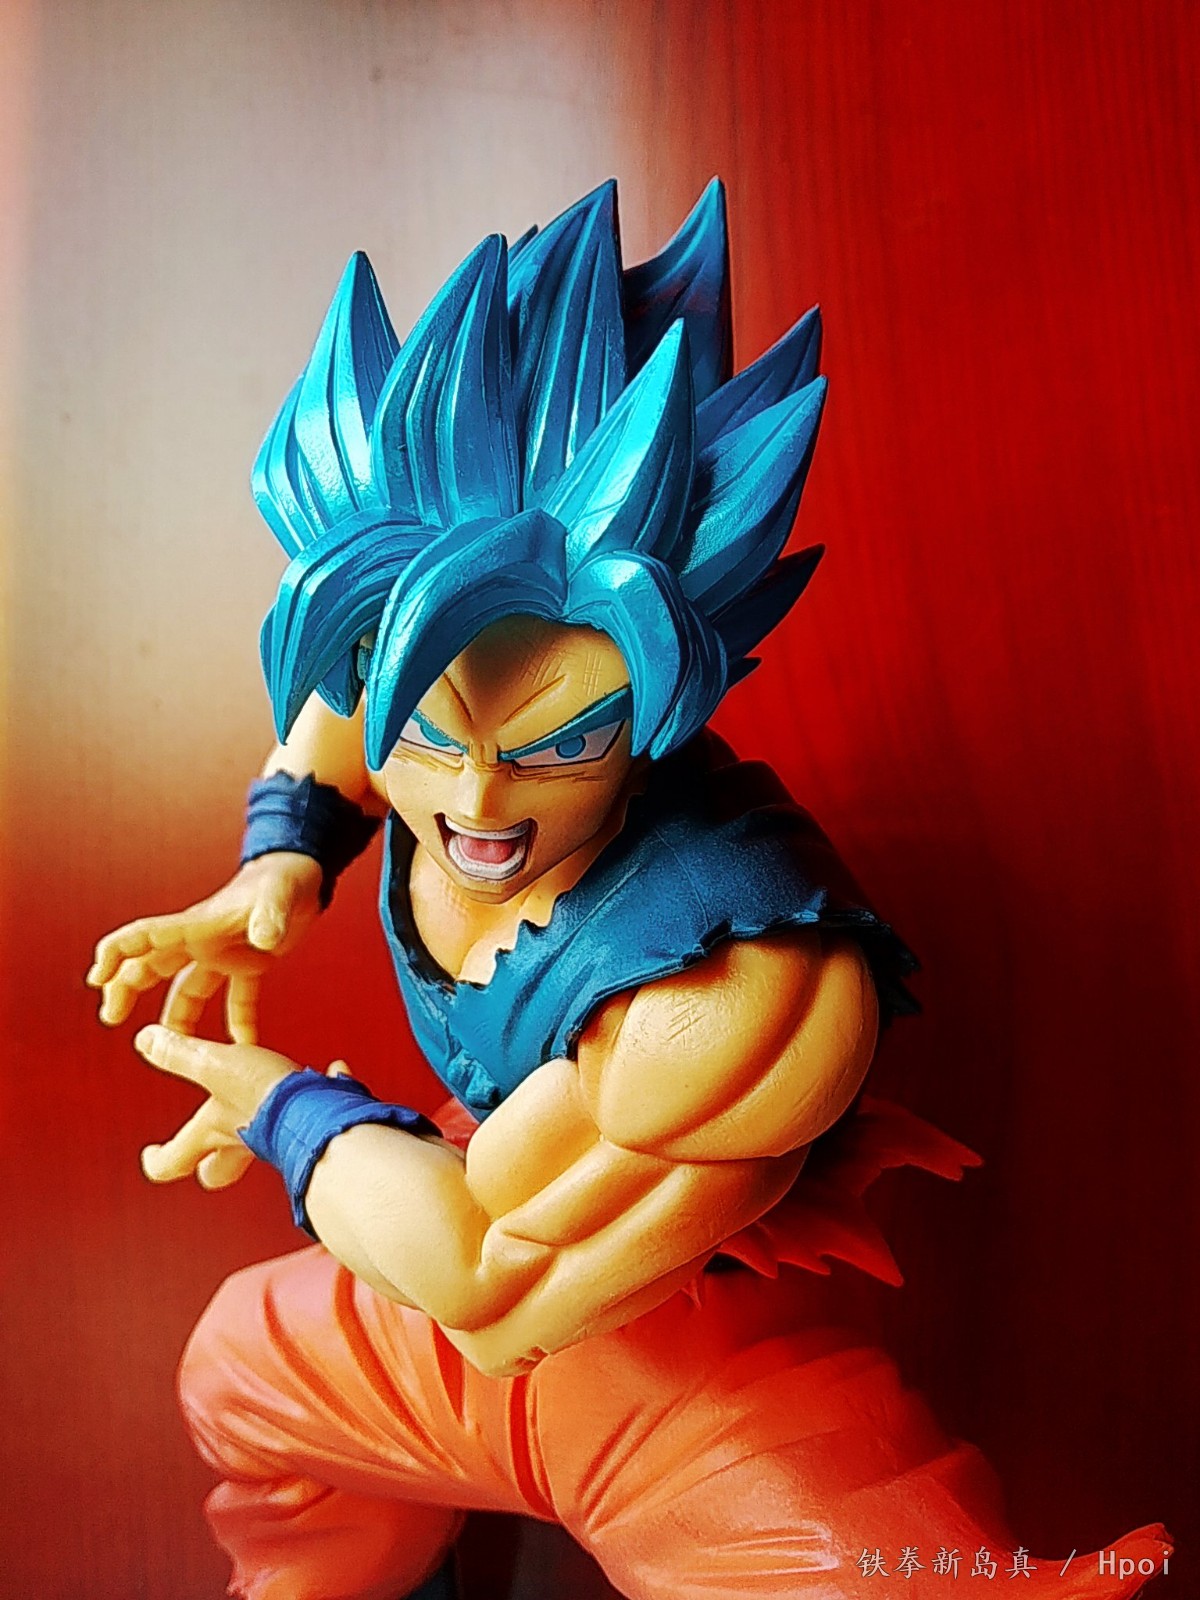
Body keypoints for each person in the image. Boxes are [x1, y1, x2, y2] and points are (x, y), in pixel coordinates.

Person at [88, 181, 1169, 1600]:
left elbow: (486, 1290)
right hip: (432, 1288)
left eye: (560, 745)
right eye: (430, 734)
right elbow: (338, 721)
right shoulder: (394, 677)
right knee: (240, 1373)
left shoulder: (742, 996)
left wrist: (278, 1108)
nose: (480, 806)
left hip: (663, 1364)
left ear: (657, 706)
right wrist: (279, 859)